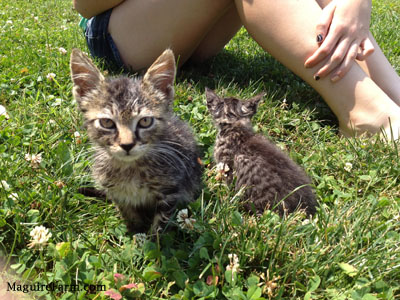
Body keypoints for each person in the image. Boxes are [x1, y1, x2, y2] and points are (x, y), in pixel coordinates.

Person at [73, 0, 400, 141]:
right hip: (121, 34)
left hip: (194, 32)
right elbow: (85, 4)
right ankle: (368, 117)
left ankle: (392, 95)